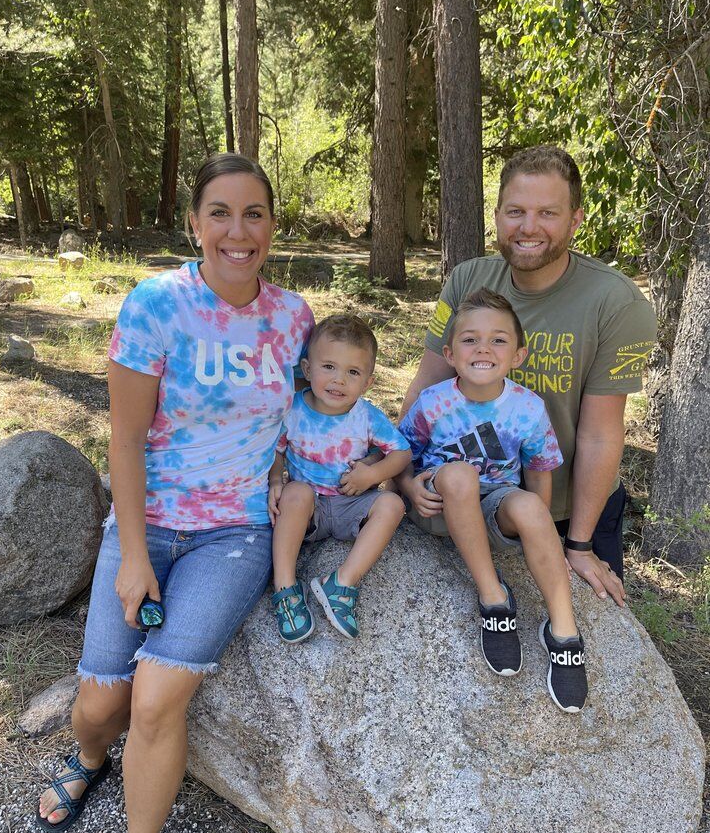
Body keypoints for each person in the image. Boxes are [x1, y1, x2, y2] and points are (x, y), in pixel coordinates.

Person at [36, 154, 314, 833]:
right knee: (101, 706)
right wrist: (130, 553)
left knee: (157, 699)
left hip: (234, 536)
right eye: (221, 213)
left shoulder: (294, 317)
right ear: (196, 223)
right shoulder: (156, 304)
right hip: (146, 523)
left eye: (255, 214)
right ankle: (87, 758)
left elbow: (317, 408)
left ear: (271, 225)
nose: (239, 231)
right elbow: (124, 436)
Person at [401, 145, 656, 604]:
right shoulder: (466, 281)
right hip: (467, 499)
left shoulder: (617, 303)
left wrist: (577, 544)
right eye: (515, 211)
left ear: (575, 220)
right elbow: (426, 386)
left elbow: (601, 434)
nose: (529, 227)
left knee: (583, 638)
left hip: (567, 509)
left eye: (547, 213)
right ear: (497, 215)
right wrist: (403, 478)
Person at [396, 288, 588, 712]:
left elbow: (539, 468)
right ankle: (494, 600)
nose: (483, 348)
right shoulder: (434, 402)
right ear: (449, 352)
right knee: (461, 475)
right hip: (440, 502)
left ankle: (563, 631)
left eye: (498, 340)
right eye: (470, 340)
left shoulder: (528, 408)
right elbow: (399, 453)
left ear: (518, 355)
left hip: (495, 504)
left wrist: (536, 529)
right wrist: (409, 489)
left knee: (528, 506)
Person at [269, 314, 410, 641]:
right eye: (329, 367)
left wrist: (373, 473)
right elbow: (275, 449)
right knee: (295, 493)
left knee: (391, 504)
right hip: (310, 511)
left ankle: (343, 583)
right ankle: (286, 588)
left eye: (353, 372)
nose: (339, 380)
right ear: (307, 370)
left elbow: (402, 453)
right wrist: (276, 481)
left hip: (352, 505)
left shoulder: (367, 416)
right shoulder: (293, 409)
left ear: (367, 383)